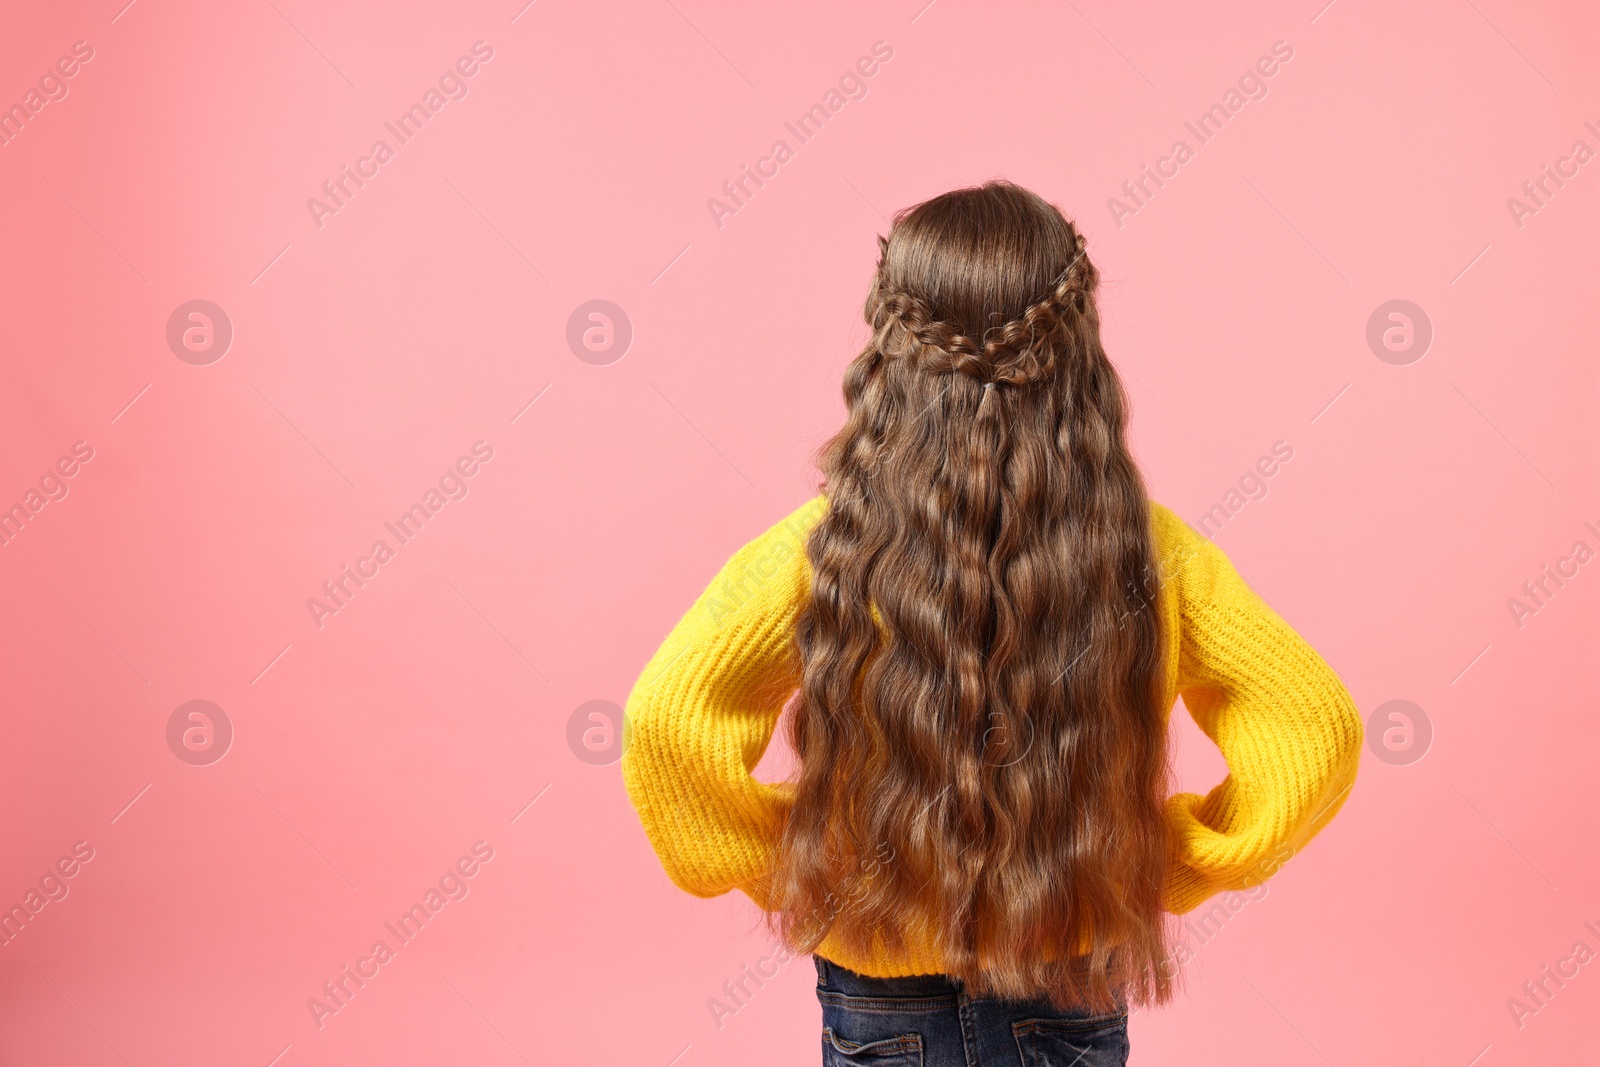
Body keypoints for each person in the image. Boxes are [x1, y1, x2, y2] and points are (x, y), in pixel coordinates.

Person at [621, 179, 1363, 1066]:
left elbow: (666, 722)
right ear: (1078, 348)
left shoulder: (822, 550)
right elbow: (1315, 726)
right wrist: (1155, 858)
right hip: (1065, 983)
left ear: (891, 350)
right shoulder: (1153, 556)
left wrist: (807, 857)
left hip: (879, 993)